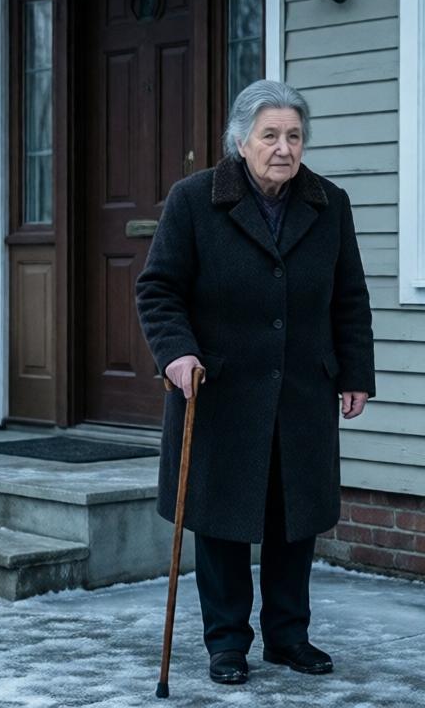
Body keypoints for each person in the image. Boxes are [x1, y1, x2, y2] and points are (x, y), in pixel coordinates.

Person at [135, 79, 375, 687]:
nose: (283, 147)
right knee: (222, 522)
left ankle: (288, 637)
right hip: (220, 391)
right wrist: (176, 354)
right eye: (270, 135)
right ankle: (226, 644)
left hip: (300, 389)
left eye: (294, 135)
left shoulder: (329, 204)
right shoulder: (194, 201)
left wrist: (355, 373)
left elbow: (349, 298)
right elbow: (158, 288)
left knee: (294, 520)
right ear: (241, 141)